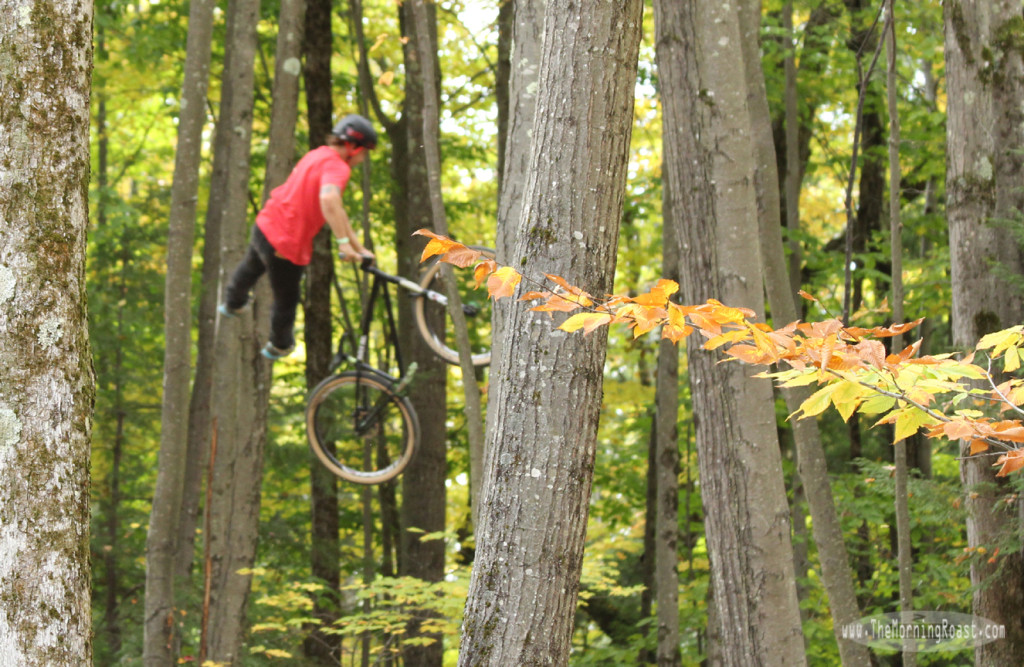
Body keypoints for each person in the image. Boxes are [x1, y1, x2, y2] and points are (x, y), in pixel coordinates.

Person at [219, 114, 378, 360]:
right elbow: (329, 199)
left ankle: (232, 303)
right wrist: (344, 245)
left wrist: (359, 247)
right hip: (286, 244)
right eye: (364, 152)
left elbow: (338, 211)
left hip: (266, 224)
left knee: (251, 267)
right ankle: (279, 344)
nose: (363, 159)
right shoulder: (338, 166)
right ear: (353, 146)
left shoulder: (317, 154)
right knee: (287, 298)